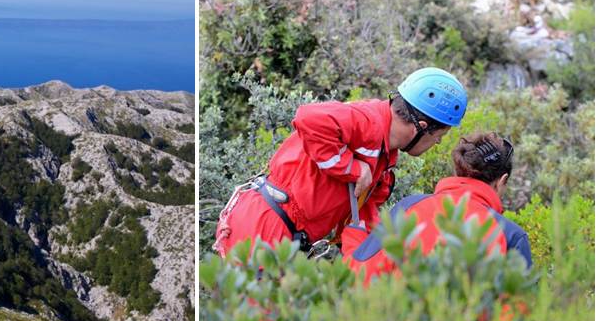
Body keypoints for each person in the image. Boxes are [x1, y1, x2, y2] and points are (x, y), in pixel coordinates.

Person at [213, 67, 468, 258]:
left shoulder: (384, 156)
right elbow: (309, 118)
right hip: (265, 226)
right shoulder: (367, 122)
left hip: (279, 231)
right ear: (421, 128)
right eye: (439, 136)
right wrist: (352, 168)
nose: (436, 144)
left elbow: (365, 217)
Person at [342, 132, 533, 284]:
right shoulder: (512, 236)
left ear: (459, 171)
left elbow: (360, 274)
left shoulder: (409, 207)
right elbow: (516, 316)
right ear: (502, 181)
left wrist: (354, 237)